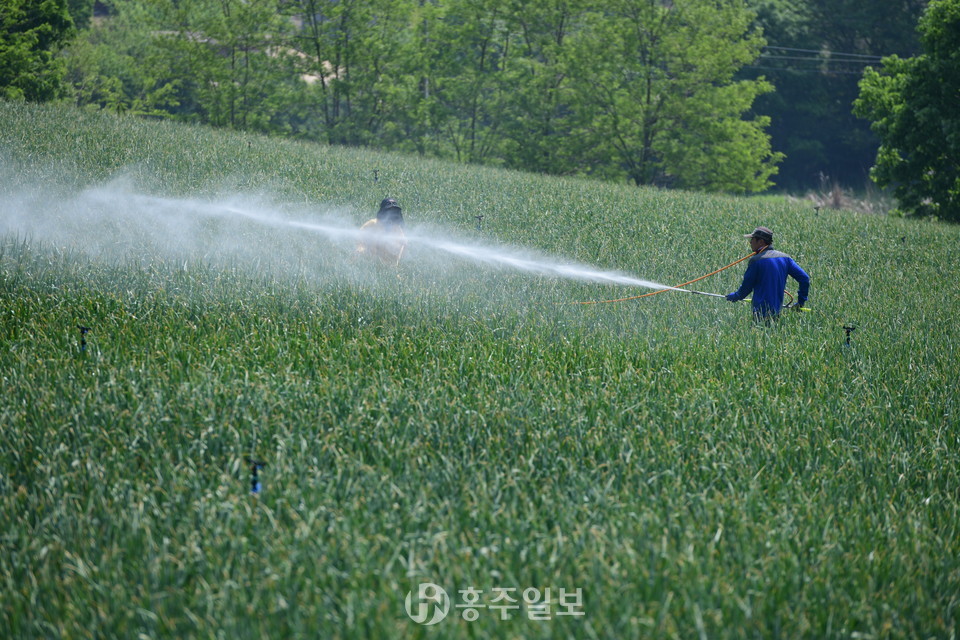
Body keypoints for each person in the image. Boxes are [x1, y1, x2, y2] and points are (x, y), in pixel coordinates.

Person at [726, 226, 809, 321]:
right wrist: (801, 302)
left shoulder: (756, 260)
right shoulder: (785, 258)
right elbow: (804, 278)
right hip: (777, 311)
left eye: (752, 239)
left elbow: (746, 287)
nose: (750, 242)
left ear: (761, 241)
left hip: (760, 313)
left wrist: (735, 296)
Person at [356, 197, 407, 266]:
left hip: (388, 267)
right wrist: (362, 249)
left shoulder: (396, 228)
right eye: (389, 211)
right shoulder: (373, 223)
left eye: (394, 212)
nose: (392, 214)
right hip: (369, 264)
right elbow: (360, 237)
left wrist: (395, 261)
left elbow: (403, 243)